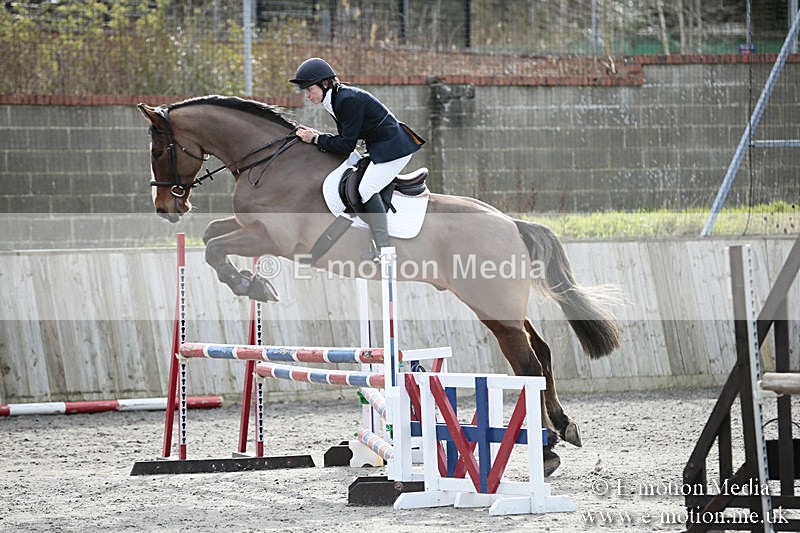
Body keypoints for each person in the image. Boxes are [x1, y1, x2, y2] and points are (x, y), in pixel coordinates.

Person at [289, 57, 425, 258]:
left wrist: (316, 138)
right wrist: (318, 138)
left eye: (310, 89)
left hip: (394, 149)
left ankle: (384, 250)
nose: (307, 95)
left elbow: (345, 144)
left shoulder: (346, 100)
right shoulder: (335, 99)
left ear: (324, 84)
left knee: (366, 188)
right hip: (380, 147)